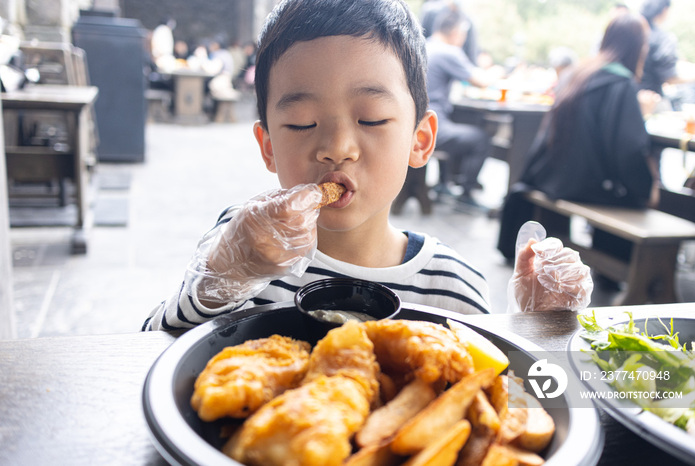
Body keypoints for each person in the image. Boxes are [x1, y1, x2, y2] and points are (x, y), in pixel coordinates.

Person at [142, 0, 592, 332]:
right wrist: (222, 277)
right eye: (301, 123)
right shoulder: (244, 247)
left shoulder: (453, 287)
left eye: (372, 119)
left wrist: (541, 334)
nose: (337, 148)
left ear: (421, 141)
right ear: (268, 147)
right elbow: (151, 348)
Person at [497, 12, 658, 262]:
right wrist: (649, 189)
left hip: (552, 179)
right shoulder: (620, 83)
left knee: (628, 188)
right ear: (638, 47)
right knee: (635, 193)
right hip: (585, 185)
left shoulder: (578, 73)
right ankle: (616, 268)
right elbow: (629, 150)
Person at [425, 9, 494, 210]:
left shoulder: (425, 46)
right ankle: (466, 192)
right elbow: (481, 81)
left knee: (457, 125)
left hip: (417, 122)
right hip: (431, 127)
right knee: (480, 139)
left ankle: (443, 184)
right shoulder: (448, 51)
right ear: (456, 32)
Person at [639, 0, 695, 98]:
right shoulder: (663, 38)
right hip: (652, 98)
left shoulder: (633, 33)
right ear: (665, 10)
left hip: (627, 97)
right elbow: (669, 77)